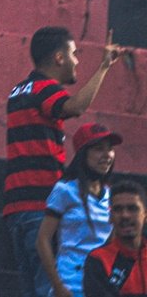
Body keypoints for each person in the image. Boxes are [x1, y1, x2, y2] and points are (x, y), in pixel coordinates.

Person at [5, 26, 127, 297]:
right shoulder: (44, 88)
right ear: (59, 58)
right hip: (39, 204)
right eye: (74, 54)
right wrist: (104, 67)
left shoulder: (18, 90)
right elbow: (75, 107)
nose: (77, 61)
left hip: (16, 206)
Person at [37, 124, 120, 297]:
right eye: (99, 149)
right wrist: (58, 286)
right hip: (70, 282)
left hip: (101, 284)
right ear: (83, 154)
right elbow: (42, 240)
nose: (107, 155)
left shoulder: (111, 194)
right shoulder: (65, 190)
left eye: (110, 149)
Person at [83, 180, 147, 295]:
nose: (125, 215)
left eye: (132, 208)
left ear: (145, 215)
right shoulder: (98, 260)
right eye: (118, 209)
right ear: (110, 217)